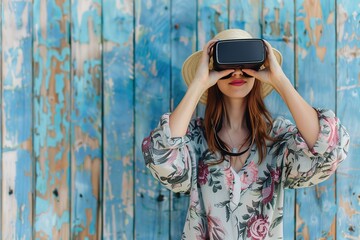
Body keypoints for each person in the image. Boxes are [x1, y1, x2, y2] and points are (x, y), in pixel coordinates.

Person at [141, 29, 350, 240]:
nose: (237, 72)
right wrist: (199, 83)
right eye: (228, 64)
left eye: (245, 64)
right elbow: (160, 157)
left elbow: (330, 148)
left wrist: (279, 80)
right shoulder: (194, 139)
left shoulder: (277, 137)